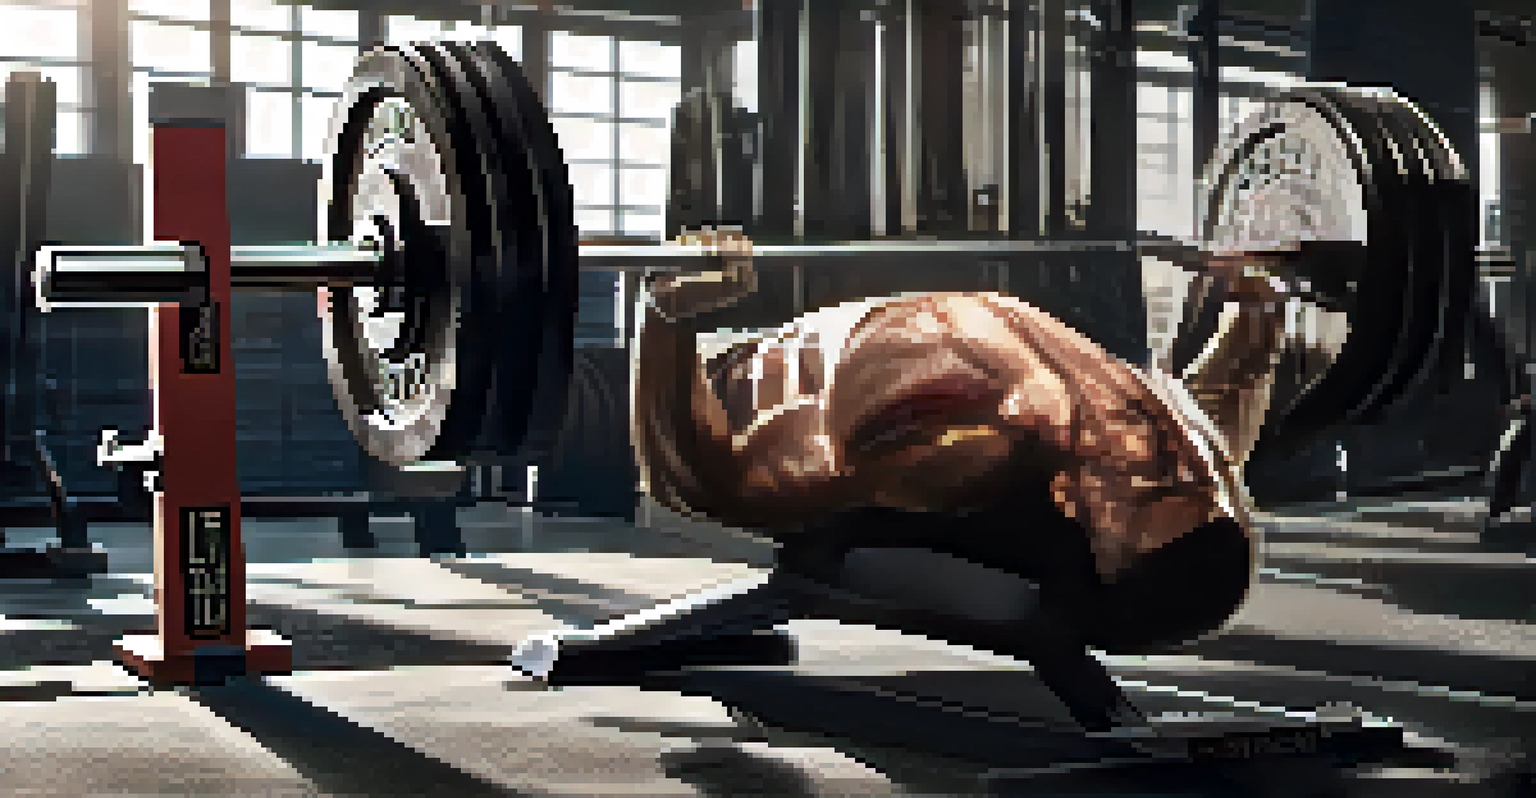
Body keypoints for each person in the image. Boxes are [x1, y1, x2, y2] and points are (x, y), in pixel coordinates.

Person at [610, 228, 1292, 732]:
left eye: (1146, 498)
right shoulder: (1183, 447)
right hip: (885, 342)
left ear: (1081, 512)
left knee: (727, 475)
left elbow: (702, 483)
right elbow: (1232, 384)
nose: (1161, 470)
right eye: (1186, 487)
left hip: (751, 387)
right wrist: (1259, 307)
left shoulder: (958, 450)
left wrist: (670, 313)